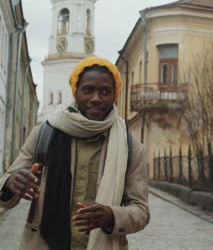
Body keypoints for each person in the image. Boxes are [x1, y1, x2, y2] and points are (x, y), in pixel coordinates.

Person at [0, 57, 150, 250]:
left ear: (114, 95)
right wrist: (12, 184)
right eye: (88, 90)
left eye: (105, 91)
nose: (96, 98)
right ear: (76, 92)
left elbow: (141, 211)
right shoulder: (44, 134)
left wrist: (112, 215)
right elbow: (6, 185)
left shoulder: (130, 146)